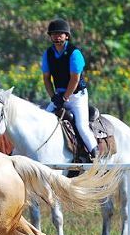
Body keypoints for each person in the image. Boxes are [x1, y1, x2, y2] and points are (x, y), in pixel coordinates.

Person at [42, 19, 99, 159]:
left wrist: (65, 97)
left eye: (60, 33)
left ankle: (97, 157)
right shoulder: (48, 54)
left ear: (66, 35)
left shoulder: (75, 53)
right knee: (44, 121)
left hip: (76, 96)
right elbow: (46, 79)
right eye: (53, 34)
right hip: (59, 96)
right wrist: (53, 97)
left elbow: (75, 79)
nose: (56, 36)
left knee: (82, 127)